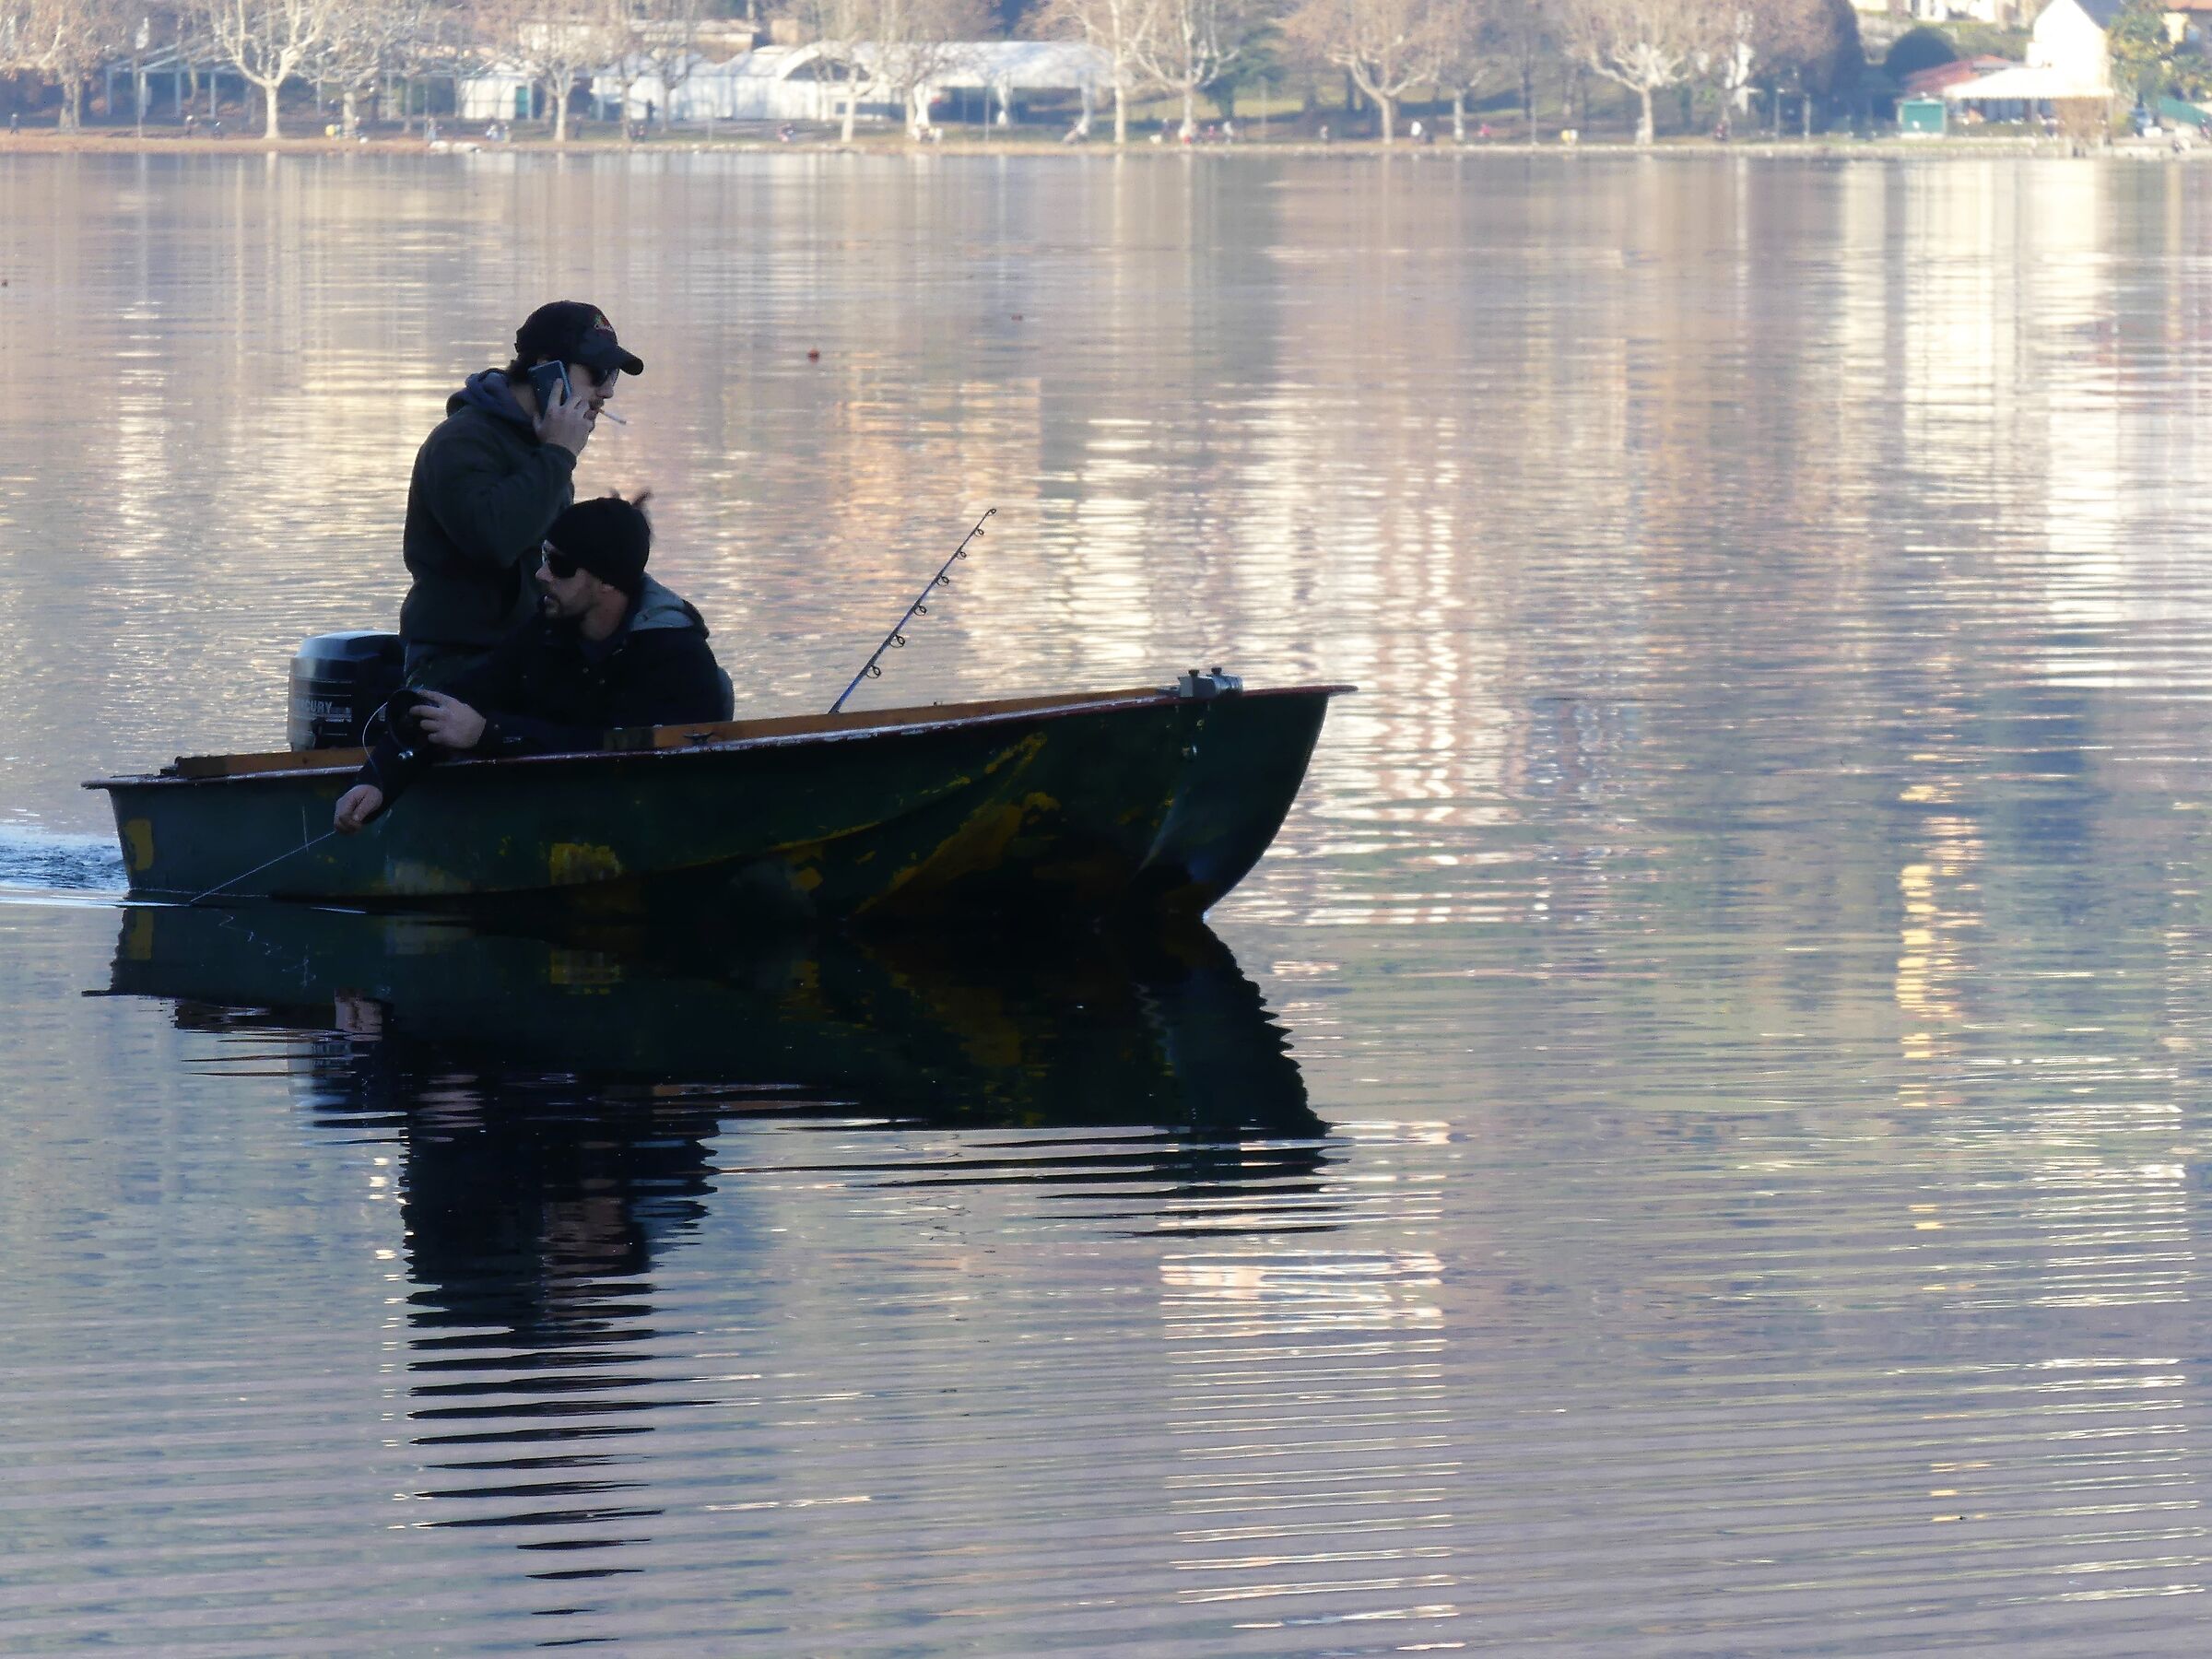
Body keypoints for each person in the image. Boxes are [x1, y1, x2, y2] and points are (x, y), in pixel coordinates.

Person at [335, 494, 730, 833]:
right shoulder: (546, 629)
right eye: (543, 556)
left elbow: (624, 747)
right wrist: (378, 782)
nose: (542, 574)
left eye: (560, 565)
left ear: (608, 581)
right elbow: (459, 699)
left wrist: (490, 734)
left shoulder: (675, 653)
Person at [397, 301, 644, 690]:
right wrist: (558, 455)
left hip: (527, 647)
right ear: (547, 367)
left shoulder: (543, 443)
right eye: (597, 373)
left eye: (613, 375)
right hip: (456, 655)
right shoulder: (462, 441)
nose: (608, 391)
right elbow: (494, 540)